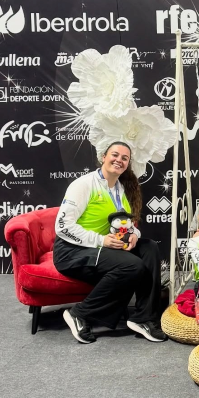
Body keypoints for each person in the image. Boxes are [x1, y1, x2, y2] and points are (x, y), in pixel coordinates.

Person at [53, 141, 167, 344]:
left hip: (104, 246)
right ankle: (80, 313)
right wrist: (101, 240)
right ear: (103, 157)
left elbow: (123, 223)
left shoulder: (120, 188)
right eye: (115, 155)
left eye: (125, 158)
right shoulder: (83, 184)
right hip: (73, 250)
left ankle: (144, 318)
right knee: (132, 265)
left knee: (149, 247)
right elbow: (62, 226)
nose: (119, 160)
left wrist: (134, 234)